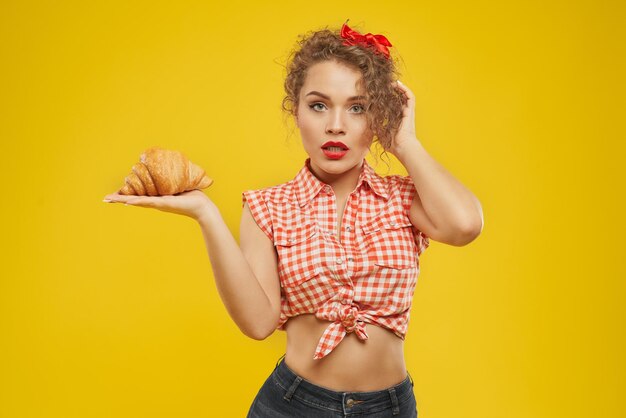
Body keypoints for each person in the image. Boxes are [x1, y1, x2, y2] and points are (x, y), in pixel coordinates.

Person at [104, 20, 483, 417]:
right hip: (293, 406)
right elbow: (258, 323)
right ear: (296, 110)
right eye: (318, 105)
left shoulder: (403, 197)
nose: (335, 124)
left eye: (358, 108)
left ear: (379, 118)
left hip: (388, 408)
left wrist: (405, 143)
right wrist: (206, 214)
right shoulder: (268, 207)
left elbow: (465, 226)